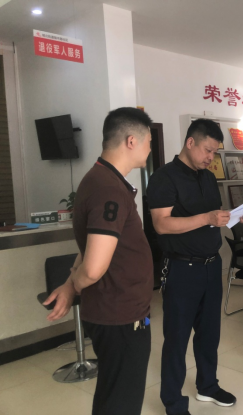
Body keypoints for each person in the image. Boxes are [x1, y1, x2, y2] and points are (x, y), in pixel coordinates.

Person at [44, 107, 155, 415]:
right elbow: (93, 268)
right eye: (148, 142)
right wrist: (76, 284)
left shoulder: (102, 179)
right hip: (119, 314)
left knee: (113, 394)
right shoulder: (109, 189)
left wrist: (70, 284)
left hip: (116, 309)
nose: (150, 149)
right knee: (121, 401)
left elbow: (91, 247)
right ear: (131, 141)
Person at [148, 119, 243, 415]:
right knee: (177, 338)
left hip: (211, 266)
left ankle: (207, 386)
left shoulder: (208, 177)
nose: (211, 157)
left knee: (209, 334)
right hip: (182, 269)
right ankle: (173, 402)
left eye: (215, 152)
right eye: (207, 150)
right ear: (190, 142)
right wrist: (207, 218)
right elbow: (161, 224)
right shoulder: (164, 177)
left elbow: (213, 217)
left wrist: (233, 216)